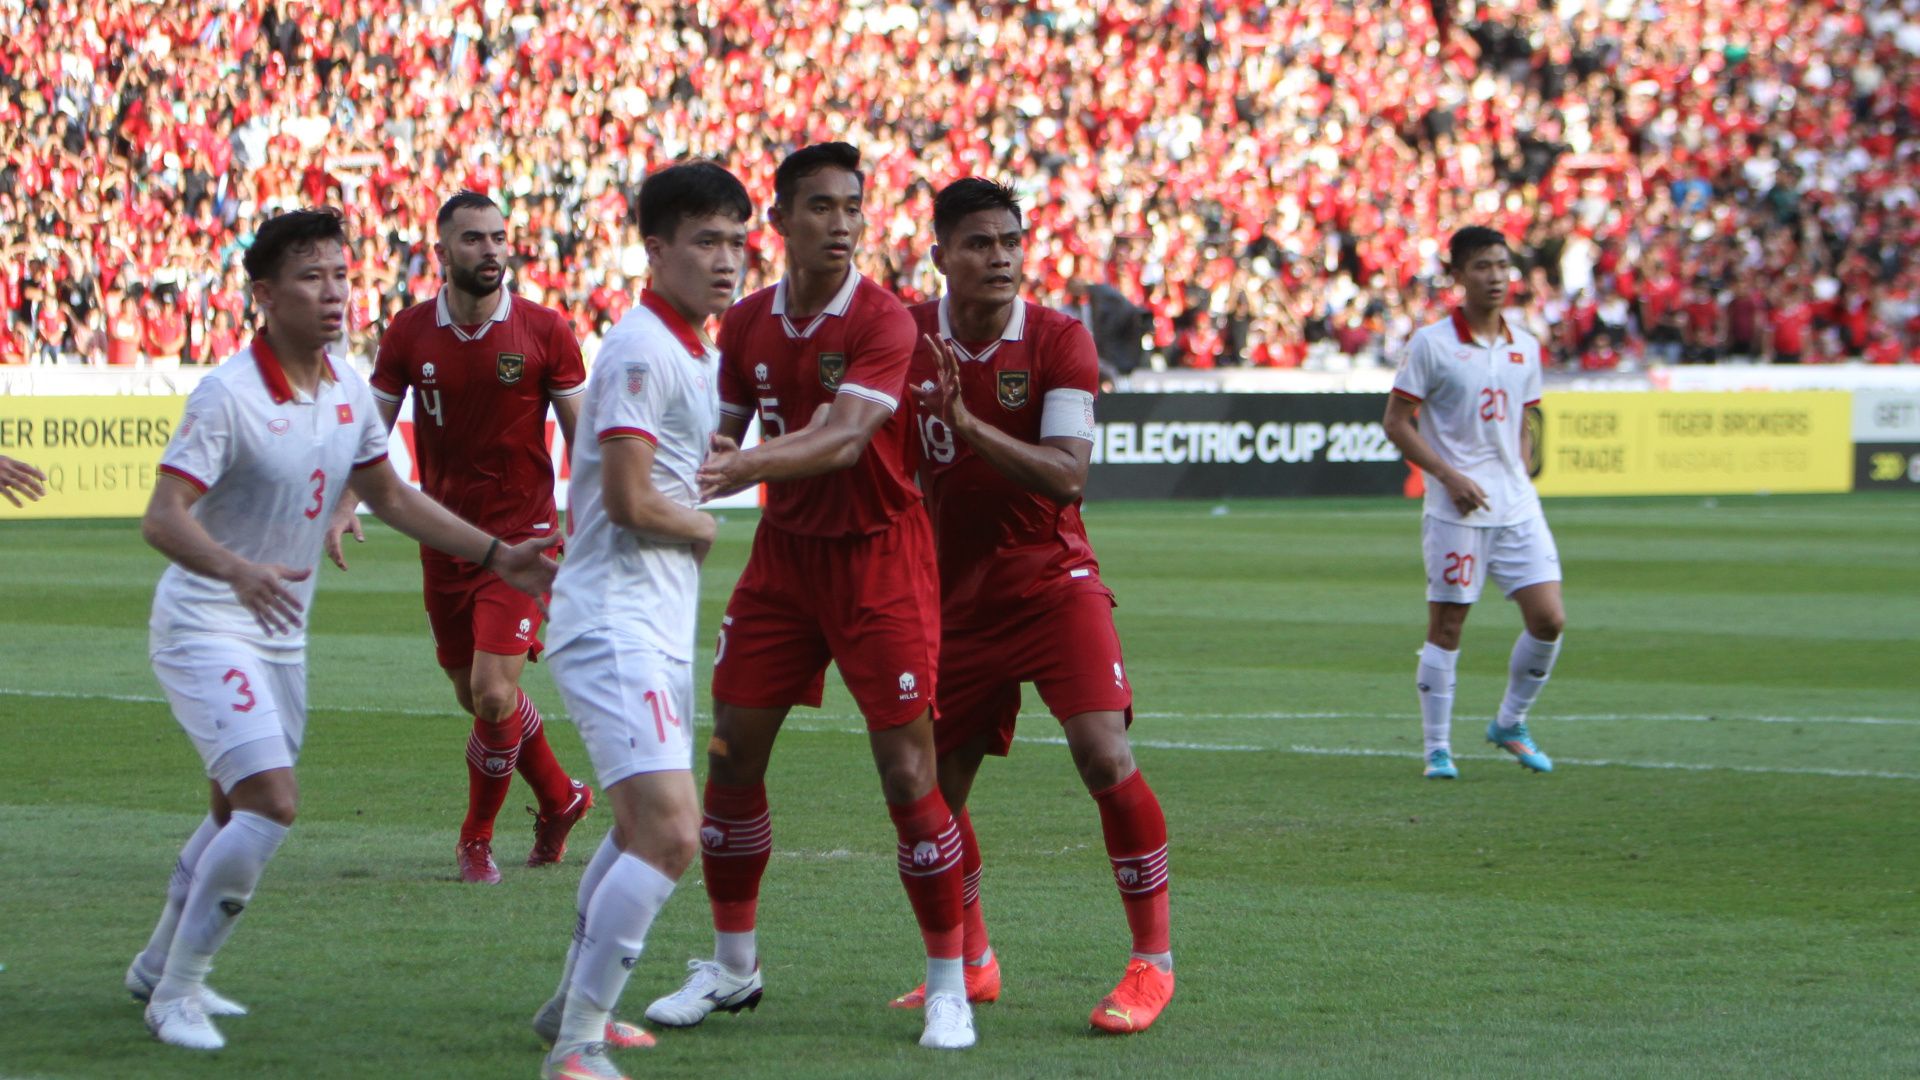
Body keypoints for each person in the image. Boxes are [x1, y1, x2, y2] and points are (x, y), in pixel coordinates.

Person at [129, 208, 558, 1051]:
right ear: (264, 295)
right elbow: (161, 518)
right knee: (271, 802)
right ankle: (177, 991)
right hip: (206, 622)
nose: (333, 294)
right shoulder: (228, 394)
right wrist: (240, 570)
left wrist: (501, 555)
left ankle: (153, 964)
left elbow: (392, 496)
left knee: (229, 810)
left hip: (278, 635)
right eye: (311, 277)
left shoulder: (345, 389)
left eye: (340, 276)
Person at [643, 143, 974, 1051]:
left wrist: (740, 466)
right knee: (730, 754)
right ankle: (733, 967)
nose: (842, 225)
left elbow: (843, 438)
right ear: (779, 223)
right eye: (821, 208)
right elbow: (713, 435)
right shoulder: (746, 325)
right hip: (784, 564)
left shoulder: (884, 322)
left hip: (879, 562)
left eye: (854, 208)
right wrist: (639, 500)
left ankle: (948, 981)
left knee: (908, 773)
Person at [899, 178, 1175, 1033]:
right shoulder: (899, 335)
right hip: (947, 594)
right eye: (981, 243)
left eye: (1012, 241)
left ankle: (1151, 964)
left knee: (1103, 754)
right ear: (941, 253)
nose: (1002, 257)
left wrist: (968, 425)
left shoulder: (1059, 339)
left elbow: (1067, 474)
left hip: (1052, 578)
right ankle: (972, 960)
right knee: (930, 791)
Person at [529, 161, 749, 1080]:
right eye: (705, 241)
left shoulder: (693, 349)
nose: (727, 260)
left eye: (738, 241)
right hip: (615, 619)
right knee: (668, 830)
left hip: (652, 622)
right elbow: (624, 500)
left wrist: (715, 457)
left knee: (633, 827)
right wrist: (703, 521)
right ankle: (578, 1042)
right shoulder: (639, 348)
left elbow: (660, 465)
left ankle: (564, 1013)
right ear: (654, 250)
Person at [327, 191, 594, 885]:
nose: (492, 251)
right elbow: (372, 431)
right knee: (474, 697)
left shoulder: (543, 330)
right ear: (441, 251)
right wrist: (343, 501)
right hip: (444, 536)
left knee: (494, 692)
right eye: (474, 240)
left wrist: (593, 523)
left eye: (500, 238)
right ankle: (561, 798)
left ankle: (475, 840)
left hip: (526, 538)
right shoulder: (409, 333)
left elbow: (584, 439)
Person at [1382, 225, 1566, 781]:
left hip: (1517, 505)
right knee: (1448, 626)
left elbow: (1526, 416)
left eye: (1503, 266)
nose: (1496, 276)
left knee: (1549, 619)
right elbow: (1396, 421)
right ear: (1458, 277)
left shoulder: (1525, 344)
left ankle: (1510, 723)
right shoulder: (1433, 344)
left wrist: (1523, 462)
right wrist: (1448, 476)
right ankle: (1437, 748)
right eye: (1483, 266)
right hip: (1455, 509)